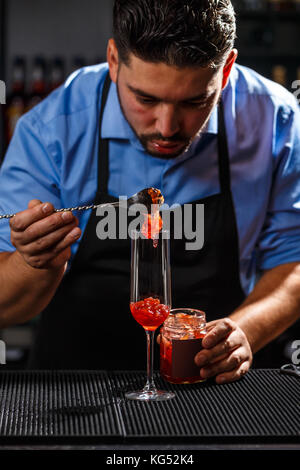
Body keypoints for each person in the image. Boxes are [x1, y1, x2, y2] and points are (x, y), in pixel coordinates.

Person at [0, 0, 300, 383]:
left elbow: (293, 262)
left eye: (194, 101)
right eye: (146, 99)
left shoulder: (274, 119)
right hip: (72, 385)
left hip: (213, 385)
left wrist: (243, 332)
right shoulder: (52, 128)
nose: (167, 127)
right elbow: (6, 307)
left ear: (225, 70)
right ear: (113, 60)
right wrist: (32, 261)